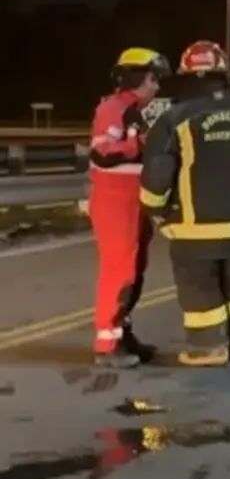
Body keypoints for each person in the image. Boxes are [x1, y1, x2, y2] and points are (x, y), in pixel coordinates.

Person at [139, 40, 230, 367]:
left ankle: (208, 347)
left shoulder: (175, 119)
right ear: (223, 74)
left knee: (199, 286)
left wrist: (155, 209)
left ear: (186, 76)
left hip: (192, 226)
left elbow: (158, 172)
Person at [89, 47, 171, 368]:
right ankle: (106, 346)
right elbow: (103, 153)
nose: (157, 87)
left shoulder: (139, 110)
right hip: (115, 202)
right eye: (153, 79)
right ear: (137, 78)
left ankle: (123, 333)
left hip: (134, 202)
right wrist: (141, 143)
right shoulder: (112, 109)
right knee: (119, 272)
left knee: (135, 273)